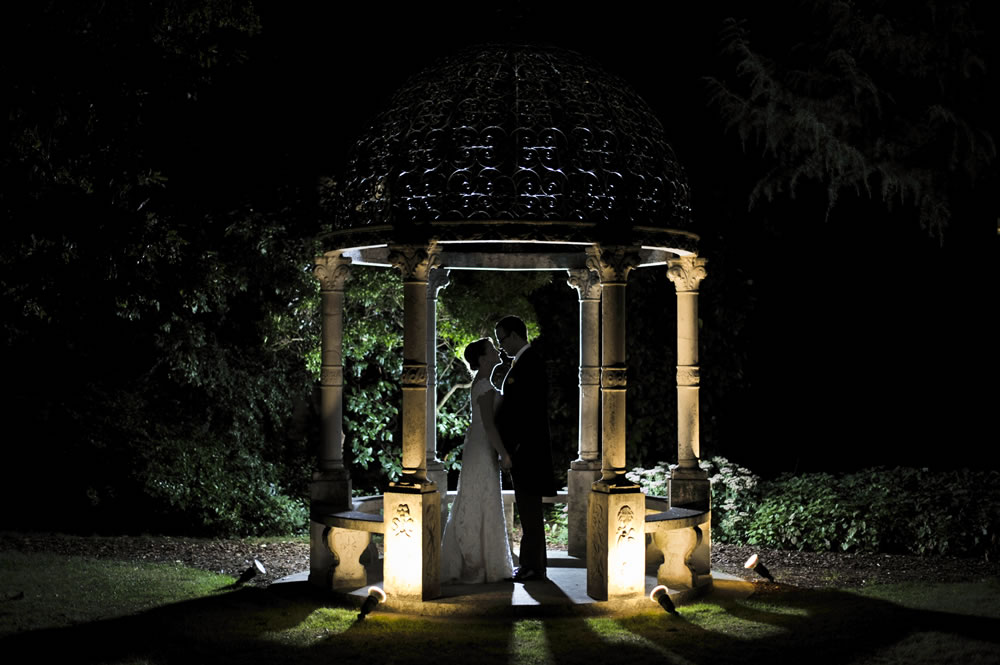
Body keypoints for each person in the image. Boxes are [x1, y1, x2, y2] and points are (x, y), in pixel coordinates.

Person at [440, 338, 514, 584]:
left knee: (484, 500)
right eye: (492, 349)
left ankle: (487, 563)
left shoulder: (486, 384)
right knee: (477, 500)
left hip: (481, 448)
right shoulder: (483, 386)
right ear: (483, 359)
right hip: (482, 449)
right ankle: (474, 563)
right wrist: (503, 453)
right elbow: (489, 426)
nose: (497, 351)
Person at [493, 315, 557, 582]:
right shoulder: (524, 363)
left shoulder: (530, 364)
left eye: (503, 339)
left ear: (516, 335)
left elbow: (525, 413)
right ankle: (533, 565)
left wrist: (512, 448)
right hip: (525, 450)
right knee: (528, 510)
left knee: (529, 511)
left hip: (527, 452)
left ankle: (533, 567)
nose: (501, 346)